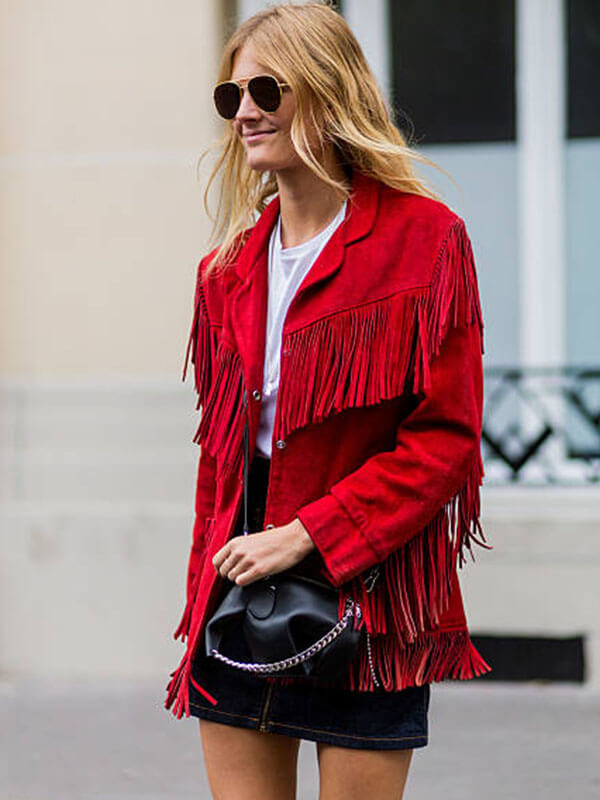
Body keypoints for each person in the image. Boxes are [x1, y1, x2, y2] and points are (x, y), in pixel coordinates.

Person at [165, 3, 493, 798]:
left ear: (325, 89)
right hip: (239, 599)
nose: (244, 113)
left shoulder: (425, 240)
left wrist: (308, 534)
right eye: (231, 96)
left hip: (368, 601)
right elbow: (221, 458)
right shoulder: (226, 271)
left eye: (266, 90)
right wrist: (204, 591)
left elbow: (444, 441)